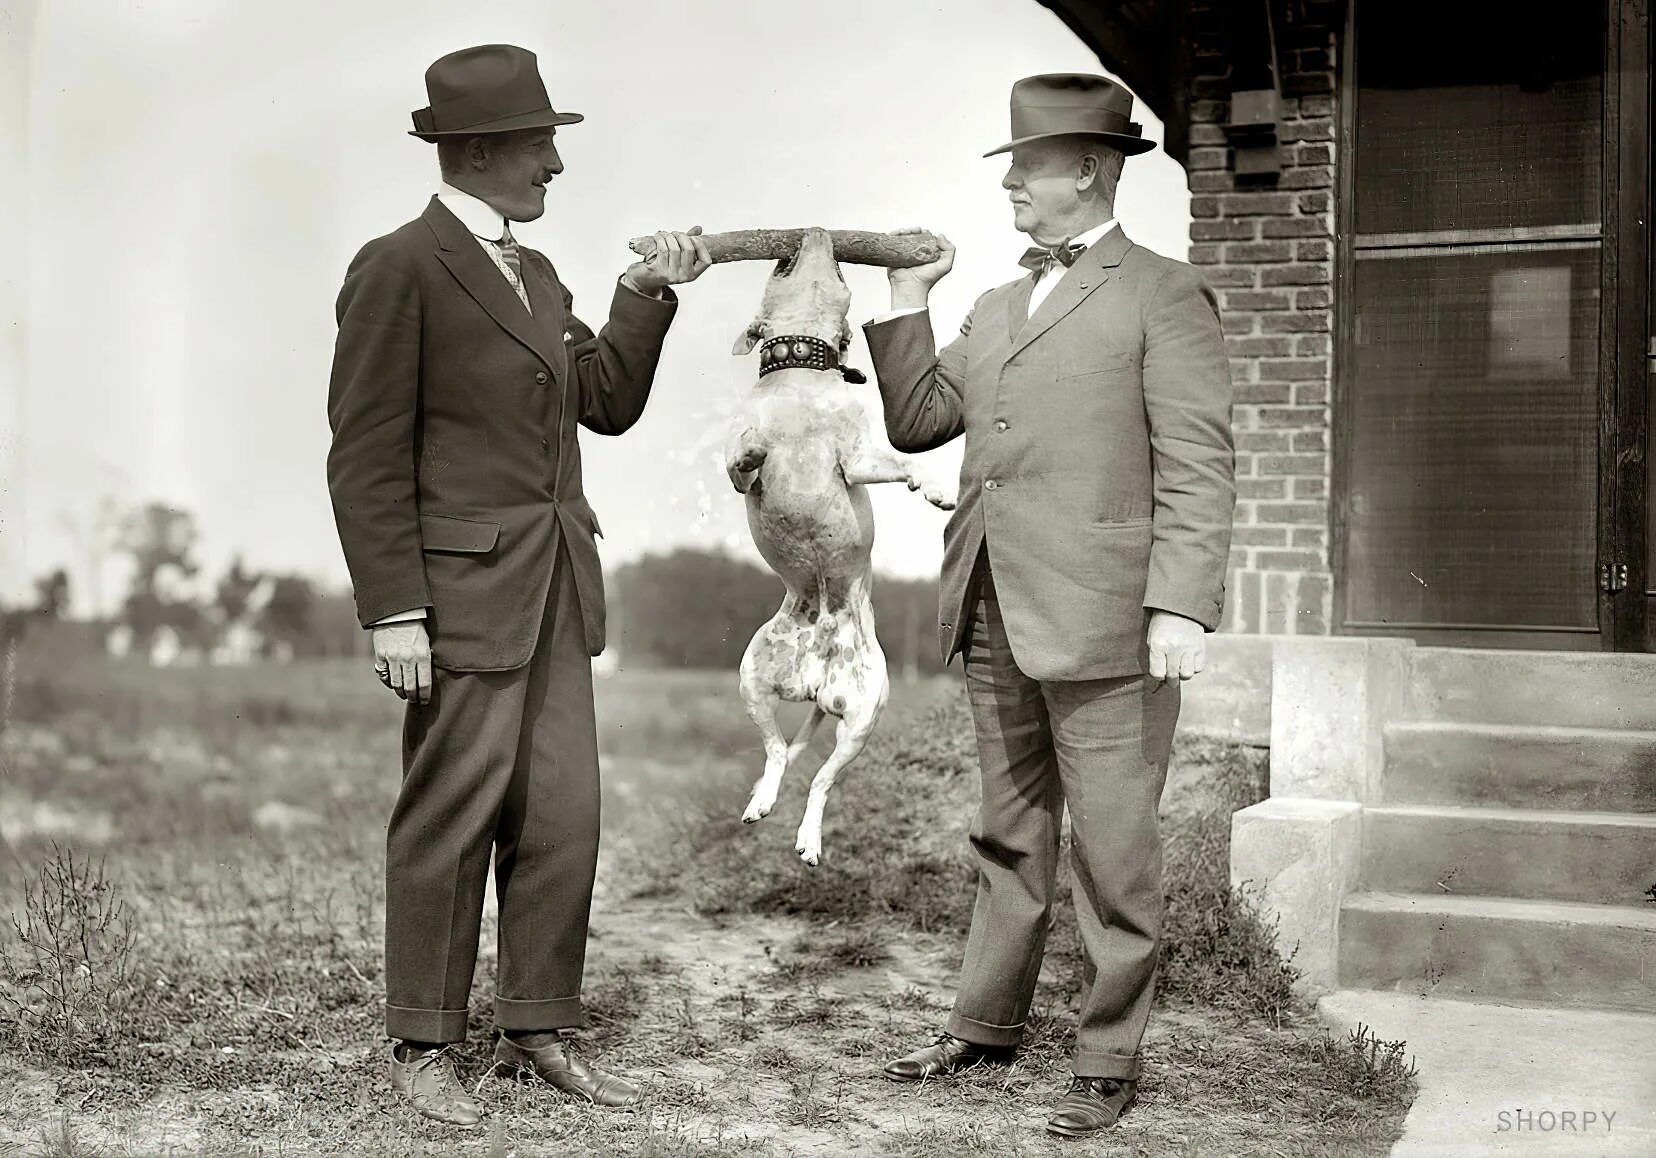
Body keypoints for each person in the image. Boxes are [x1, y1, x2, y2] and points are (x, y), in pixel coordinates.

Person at [324, 43, 709, 1127]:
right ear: (483, 149)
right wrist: (394, 607)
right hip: (458, 600)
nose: (555, 165)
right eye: (542, 144)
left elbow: (607, 399)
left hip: (555, 593)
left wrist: (641, 295)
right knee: (450, 814)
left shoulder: (539, 275)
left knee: (562, 814)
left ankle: (539, 1021)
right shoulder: (398, 266)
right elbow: (363, 454)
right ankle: (423, 1044)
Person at [865, 73, 1235, 1138]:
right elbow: (918, 419)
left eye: (1026, 167)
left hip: (1112, 617)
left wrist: (1181, 609)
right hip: (992, 606)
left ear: (1088, 170)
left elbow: (1200, 465)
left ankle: (1108, 1055)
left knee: (1114, 849)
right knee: (1007, 831)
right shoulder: (992, 303)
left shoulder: (1164, 294)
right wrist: (908, 295)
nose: (1011, 185)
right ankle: (983, 1025)